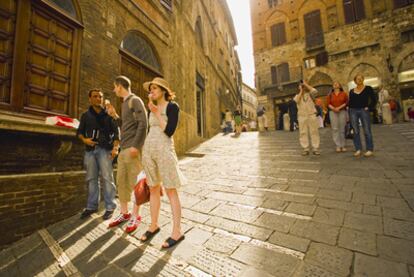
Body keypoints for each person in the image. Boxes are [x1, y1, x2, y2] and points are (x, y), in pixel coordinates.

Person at [140, 77, 185, 249]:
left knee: (171, 189)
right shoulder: (151, 107)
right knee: (153, 188)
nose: (151, 91)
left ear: (164, 91)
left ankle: (177, 231)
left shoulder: (172, 107)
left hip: (165, 151)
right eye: (150, 89)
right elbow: (151, 129)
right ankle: (153, 225)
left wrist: (158, 113)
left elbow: (169, 131)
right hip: (149, 150)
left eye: (154, 88)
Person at [109, 76, 148, 233]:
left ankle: (136, 215)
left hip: (132, 149)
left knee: (136, 183)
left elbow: (143, 124)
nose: (113, 90)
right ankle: (124, 213)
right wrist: (115, 116)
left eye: (114, 87)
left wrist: (136, 146)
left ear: (119, 86)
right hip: (124, 149)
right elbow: (126, 126)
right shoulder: (125, 103)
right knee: (122, 183)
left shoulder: (135, 100)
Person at [77, 89, 119, 220]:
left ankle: (110, 207)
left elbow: (117, 132)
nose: (98, 99)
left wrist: (115, 148)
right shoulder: (85, 116)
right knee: (91, 179)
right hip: (90, 151)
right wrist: (85, 140)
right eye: (95, 96)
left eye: (100, 96)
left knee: (107, 178)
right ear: (90, 99)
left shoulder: (108, 115)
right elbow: (79, 132)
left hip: (105, 150)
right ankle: (91, 206)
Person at [348, 74, 376, 157]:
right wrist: (349, 111)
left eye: (360, 78)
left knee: (367, 130)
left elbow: (374, 99)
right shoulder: (352, 90)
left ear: (363, 79)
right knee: (355, 131)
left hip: (364, 110)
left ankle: (369, 149)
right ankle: (358, 149)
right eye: (357, 78)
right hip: (353, 110)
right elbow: (350, 102)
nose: (359, 79)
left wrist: (369, 107)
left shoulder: (368, 88)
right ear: (355, 81)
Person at [294, 81, 320, 156]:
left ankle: (315, 148)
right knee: (303, 132)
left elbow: (315, 91)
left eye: (302, 86)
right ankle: (305, 148)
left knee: (314, 131)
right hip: (302, 116)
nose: (302, 86)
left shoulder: (310, 94)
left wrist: (306, 85)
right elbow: (296, 100)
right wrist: (301, 91)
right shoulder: (297, 95)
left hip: (311, 114)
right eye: (300, 86)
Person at [327, 81, 348, 153]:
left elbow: (346, 102)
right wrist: (334, 109)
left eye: (337, 83)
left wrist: (338, 108)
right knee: (335, 129)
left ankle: (343, 145)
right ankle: (338, 145)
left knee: (342, 129)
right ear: (332, 86)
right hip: (332, 112)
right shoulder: (330, 95)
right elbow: (328, 103)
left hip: (342, 111)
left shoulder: (344, 94)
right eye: (334, 83)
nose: (335, 84)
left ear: (340, 85)